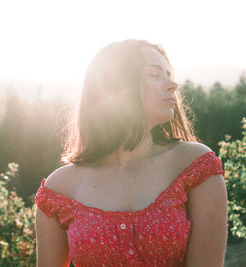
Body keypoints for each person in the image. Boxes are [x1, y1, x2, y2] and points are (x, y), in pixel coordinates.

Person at [34, 39, 228, 266]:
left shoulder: (196, 167)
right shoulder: (59, 190)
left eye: (168, 74)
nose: (172, 85)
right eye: (155, 74)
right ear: (116, 85)